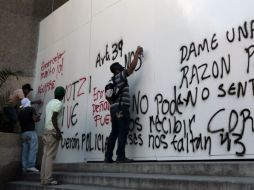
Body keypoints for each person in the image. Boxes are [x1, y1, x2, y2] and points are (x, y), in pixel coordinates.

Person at [104, 46, 143, 163]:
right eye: (120, 66)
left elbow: (107, 97)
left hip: (114, 109)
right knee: (122, 131)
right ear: (116, 69)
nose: (122, 66)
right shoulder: (119, 76)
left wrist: (114, 105)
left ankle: (108, 157)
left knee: (114, 132)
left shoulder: (111, 81)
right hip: (121, 109)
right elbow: (131, 68)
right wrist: (136, 54)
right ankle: (120, 157)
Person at [40, 86, 65, 186]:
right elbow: (54, 118)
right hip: (53, 132)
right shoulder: (59, 103)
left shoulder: (49, 103)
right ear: (63, 95)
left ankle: (43, 179)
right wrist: (58, 131)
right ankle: (48, 179)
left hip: (46, 131)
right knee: (50, 156)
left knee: (45, 155)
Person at [18, 98, 40, 173]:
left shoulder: (20, 112)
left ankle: (24, 167)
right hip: (31, 132)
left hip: (23, 133)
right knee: (33, 148)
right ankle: (31, 166)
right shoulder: (31, 109)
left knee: (25, 150)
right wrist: (39, 116)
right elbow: (35, 119)